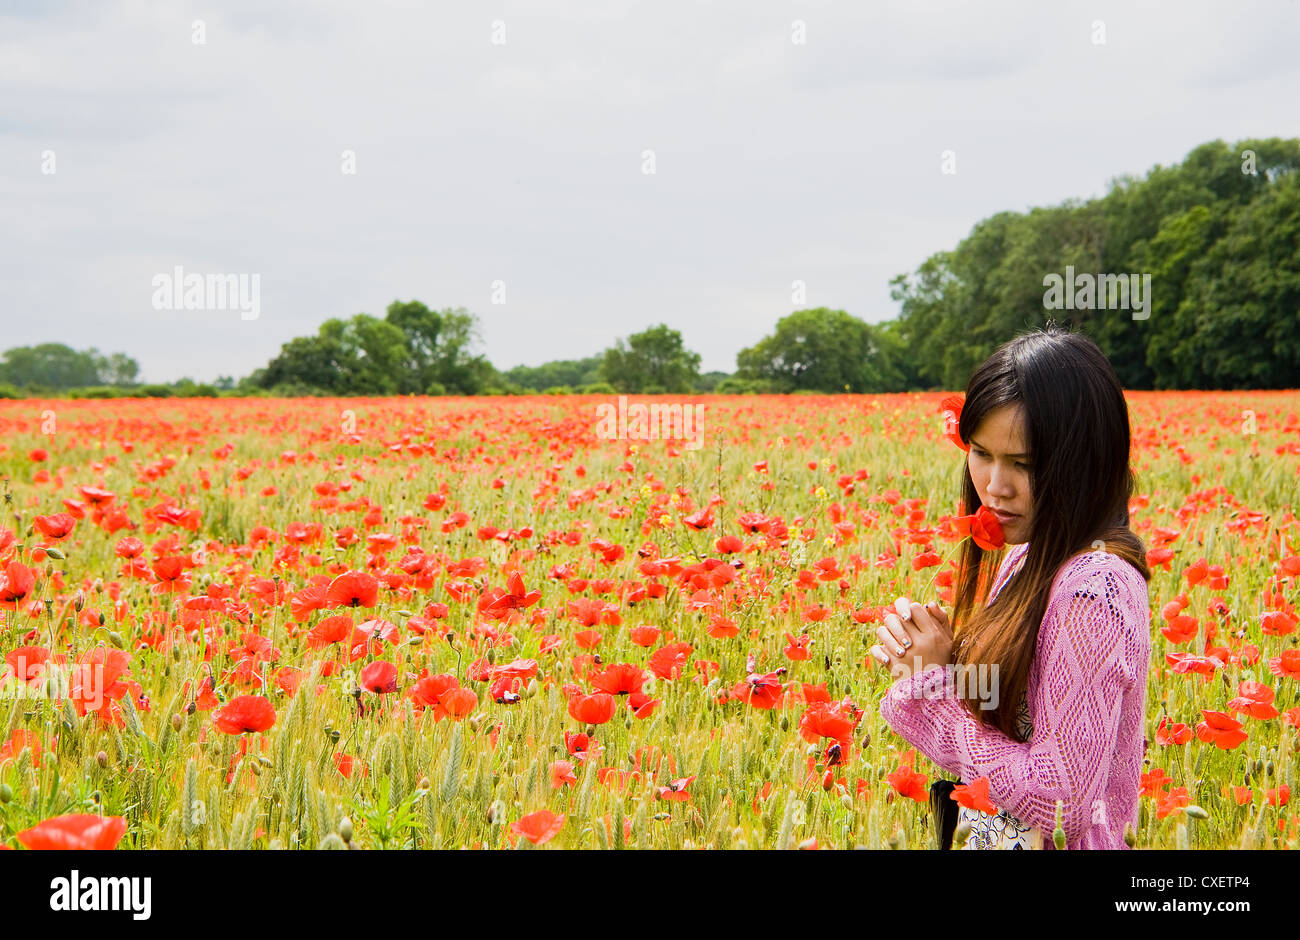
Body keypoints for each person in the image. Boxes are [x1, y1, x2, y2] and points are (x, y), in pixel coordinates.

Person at [871, 324, 1152, 850]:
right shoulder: (1028, 554)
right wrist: (946, 662)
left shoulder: (1095, 589)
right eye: (981, 453)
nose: (994, 487)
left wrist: (931, 690)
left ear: (1086, 460)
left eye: (1024, 464)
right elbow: (1015, 730)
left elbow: (1058, 799)